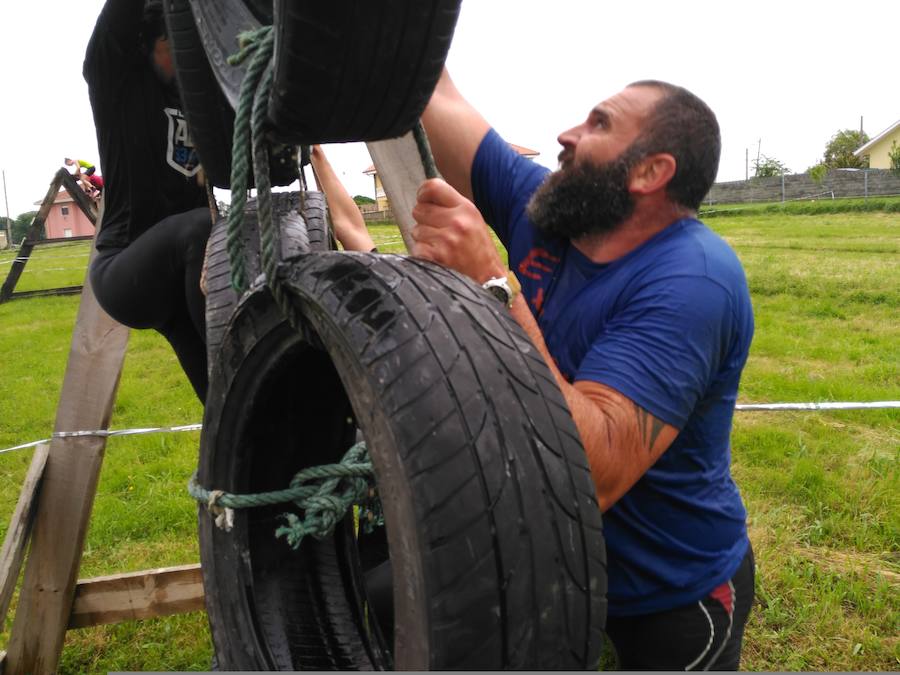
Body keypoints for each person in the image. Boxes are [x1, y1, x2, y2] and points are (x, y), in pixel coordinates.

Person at [411, 69, 755, 670]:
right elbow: (432, 92)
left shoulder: (693, 281)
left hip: (670, 590)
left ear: (651, 172)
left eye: (600, 123)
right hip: (558, 561)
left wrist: (494, 288)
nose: (567, 135)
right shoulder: (551, 207)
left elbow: (594, 474)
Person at [83, 0, 211, 401]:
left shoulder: (197, 100)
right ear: (147, 43)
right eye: (173, 45)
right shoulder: (118, 81)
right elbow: (118, 22)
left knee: (223, 404)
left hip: (177, 281)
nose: (182, 57)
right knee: (203, 225)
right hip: (125, 268)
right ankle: (248, 362)